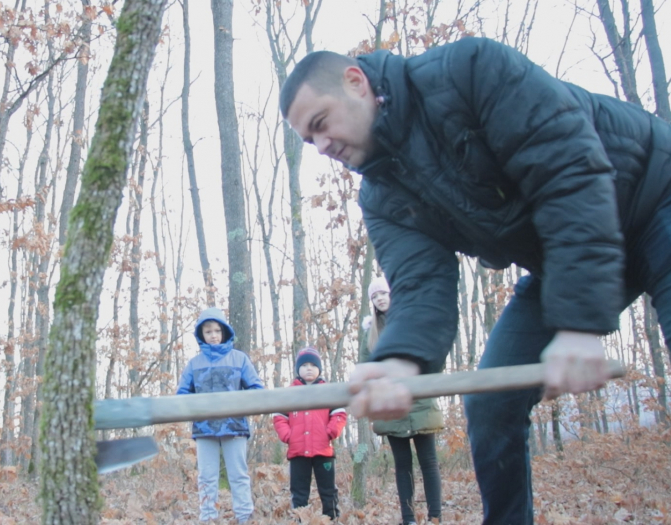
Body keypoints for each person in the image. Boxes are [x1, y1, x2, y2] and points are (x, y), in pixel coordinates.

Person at [279, 36, 671, 524]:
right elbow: (422, 285)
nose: (320, 147)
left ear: (356, 82)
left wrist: (578, 323)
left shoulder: (468, 72)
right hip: (559, 262)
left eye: (320, 124)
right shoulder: (380, 196)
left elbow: (568, 175)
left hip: (654, 196)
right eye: (307, 140)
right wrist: (399, 363)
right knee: (489, 406)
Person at [361, 276, 443, 524]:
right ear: (372, 303)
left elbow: (429, 355)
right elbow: (367, 366)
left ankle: (435, 517)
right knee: (403, 465)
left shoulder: (411, 320)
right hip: (391, 405)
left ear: (392, 294)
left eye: (383, 293)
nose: (380, 299)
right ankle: (408, 518)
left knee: (428, 462)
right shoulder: (370, 333)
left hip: (420, 401)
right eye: (375, 296)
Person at [177, 307, 264, 523]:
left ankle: (244, 517)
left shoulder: (240, 358)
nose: (213, 335)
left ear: (224, 331)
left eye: (217, 331)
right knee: (207, 477)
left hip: (234, 427)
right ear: (201, 335)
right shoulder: (194, 364)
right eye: (208, 332)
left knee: (238, 475)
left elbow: (256, 389)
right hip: (204, 429)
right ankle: (208, 518)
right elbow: (181, 395)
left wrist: (241, 405)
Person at [272, 347, 347, 521]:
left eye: (313, 365)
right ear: (298, 368)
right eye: (304, 365)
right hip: (298, 451)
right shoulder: (289, 392)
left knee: (328, 490)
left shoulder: (328, 391)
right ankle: (300, 520)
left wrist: (330, 432)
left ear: (319, 369)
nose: (309, 368)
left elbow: (339, 414)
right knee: (299, 491)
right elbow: (279, 417)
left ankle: (332, 519)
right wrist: (288, 436)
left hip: (323, 450)